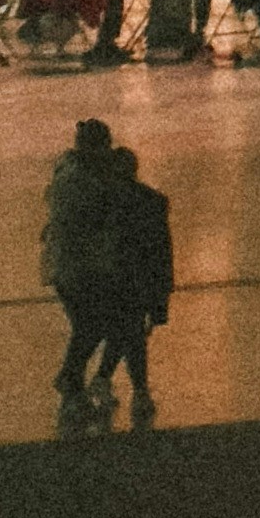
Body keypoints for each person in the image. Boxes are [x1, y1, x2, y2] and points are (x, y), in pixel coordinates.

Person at [42, 118, 128, 429]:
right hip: (75, 266)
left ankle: (72, 382)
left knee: (88, 325)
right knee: (91, 324)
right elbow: (89, 219)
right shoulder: (78, 180)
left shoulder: (70, 172)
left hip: (74, 264)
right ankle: (70, 378)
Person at [97, 140, 173, 425]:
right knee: (131, 335)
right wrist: (161, 295)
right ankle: (130, 388)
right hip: (141, 281)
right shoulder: (153, 201)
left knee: (125, 334)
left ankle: (111, 382)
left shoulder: (105, 204)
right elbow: (162, 250)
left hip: (114, 280)